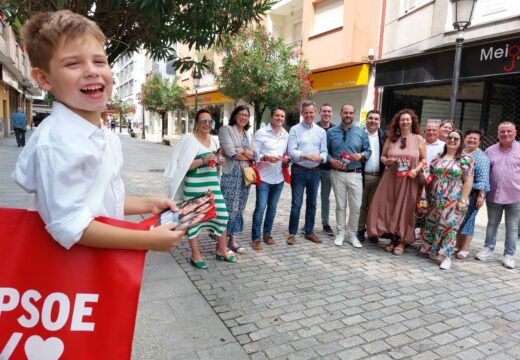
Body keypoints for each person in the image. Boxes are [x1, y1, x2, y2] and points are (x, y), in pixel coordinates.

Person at [13, 10, 185, 251]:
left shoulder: (102, 133)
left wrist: (148, 203)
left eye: (99, 61)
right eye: (73, 63)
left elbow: (100, 200)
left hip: (98, 271)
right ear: (43, 78)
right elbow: (68, 225)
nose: (92, 71)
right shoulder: (57, 142)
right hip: (74, 278)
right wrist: (147, 240)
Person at [165, 109, 232, 269]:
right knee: (193, 221)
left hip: (212, 186)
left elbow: (214, 162)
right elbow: (182, 166)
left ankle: (221, 249)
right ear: (196, 123)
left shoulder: (214, 140)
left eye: (210, 121)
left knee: (223, 216)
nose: (207, 124)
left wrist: (218, 162)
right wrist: (202, 160)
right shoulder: (188, 139)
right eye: (203, 121)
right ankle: (195, 255)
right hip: (194, 187)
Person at [366, 108, 426, 255]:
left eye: (407, 119)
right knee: (390, 208)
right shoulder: (391, 138)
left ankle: (402, 241)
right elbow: (383, 157)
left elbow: (424, 159)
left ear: (412, 122)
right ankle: (393, 238)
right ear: (398, 122)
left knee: (406, 209)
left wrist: (416, 170)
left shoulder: (418, 139)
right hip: (391, 178)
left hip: (409, 179)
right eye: (402, 119)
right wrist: (388, 161)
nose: (405, 122)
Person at [420, 130, 474, 270]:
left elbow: (468, 181)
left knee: (449, 227)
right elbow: (430, 177)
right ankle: (432, 250)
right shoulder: (438, 157)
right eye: (450, 138)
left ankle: (446, 257)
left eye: (456, 138)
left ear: (460, 141)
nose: (452, 140)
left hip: (454, 199)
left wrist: (463, 200)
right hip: (435, 198)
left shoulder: (465, 159)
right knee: (434, 224)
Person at [476, 121, 520, 269]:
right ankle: (488, 248)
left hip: (516, 196)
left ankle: (509, 255)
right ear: (498, 134)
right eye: (502, 131)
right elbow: (484, 173)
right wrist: (482, 193)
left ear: (515, 133)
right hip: (494, 195)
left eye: (509, 131)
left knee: (512, 227)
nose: (506, 134)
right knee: (492, 223)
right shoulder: (489, 151)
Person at [327, 104, 371, 248]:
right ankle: (340, 233)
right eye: (345, 112)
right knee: (340, 205)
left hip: (355, 173)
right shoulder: (331, 132)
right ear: (340, 113)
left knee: (356, 206)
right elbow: (324, 151)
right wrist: (330, 160)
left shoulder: (361, 132)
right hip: (337, 173)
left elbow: (368, 151)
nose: (348, 115)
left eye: (351, 113)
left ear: (354, 114)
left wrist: (361, 155)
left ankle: (352, 234)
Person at [287, 100, 328, 245]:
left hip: (315, 172)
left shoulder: (321, 131)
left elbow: (324, 151)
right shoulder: (294, 130)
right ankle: (292, 233)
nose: (309, 115)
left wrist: (321, 157)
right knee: (296, 204)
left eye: (311, 112)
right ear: (301, 113)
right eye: (306, 113)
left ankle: (309, 232)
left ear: (315, 113)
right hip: (299, 170)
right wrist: (304, 155)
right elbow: (291, 151)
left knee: (312, 203)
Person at [251, 107, 289, 250]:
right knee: (260, 208)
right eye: (277, 115)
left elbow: (286, 153)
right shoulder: (261, 133)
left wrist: (287, 159)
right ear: (271, 117)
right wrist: (265, 157)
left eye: (282, 116)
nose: (280, 118)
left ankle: (267, 234)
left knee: (272, 208)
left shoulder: (286, 134)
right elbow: (254, 155)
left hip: (278, 177)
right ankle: (256, 238)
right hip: (264, 177)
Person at [219, 105, 255, 254]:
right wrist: (243, 152)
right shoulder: (226, 130)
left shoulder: (247, 133)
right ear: (235, 116)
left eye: (246, 115)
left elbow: (253, 155)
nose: (244, 117)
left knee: (240, 207)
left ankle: (233, 240)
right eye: (241, 114)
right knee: (228, 207)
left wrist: (241, 150)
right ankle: (221, 241)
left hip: (245, 175)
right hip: (230, 173)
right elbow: (230, 152)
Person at [455, 129, 490, 259]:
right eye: (469, 137)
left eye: (475, 139)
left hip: (474, 193)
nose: (471, 140)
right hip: (459, 191)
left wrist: (481, 195)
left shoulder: (481, 157)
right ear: (464, 139)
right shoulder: (461, 153)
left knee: (469, 220)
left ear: (479, 142)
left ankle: (465, 248)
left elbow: (484, 178)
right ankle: (457, 245)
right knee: (459, 219)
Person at [357, 110, 387, 244]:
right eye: (371, 118)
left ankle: (372, 231)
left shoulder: (384, 135)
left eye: (376, 119)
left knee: (375, 206)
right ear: (366, 119)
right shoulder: (359, 134)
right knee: (362, 205)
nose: (373, 121)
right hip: (362, 175)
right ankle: (359, 230)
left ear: (379, 121)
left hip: (379, 176)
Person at [317, 103, 335, 236]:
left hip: (329, 169)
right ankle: (308, 223)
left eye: (329, 111)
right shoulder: (314, 128)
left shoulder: (335, 130)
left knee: (325, 197)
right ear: (320, 113)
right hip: (314, 168)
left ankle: (325, 223)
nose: (326, 113)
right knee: (311, 197)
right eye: (324, 111)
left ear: (332, 114)